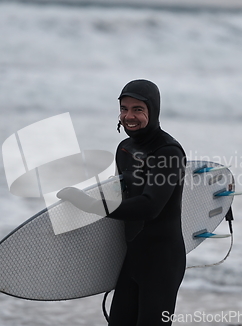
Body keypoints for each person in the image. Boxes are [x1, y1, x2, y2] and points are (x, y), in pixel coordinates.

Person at [57, 79, 186, 325]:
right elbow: (122, 199)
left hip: (162, 262)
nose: (129, 116)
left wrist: (91, 205)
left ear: (153, 110)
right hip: (133, 258)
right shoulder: (125, 148)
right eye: (124, 108)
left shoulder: (168, 152)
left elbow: (149, 206)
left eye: (138, 109)